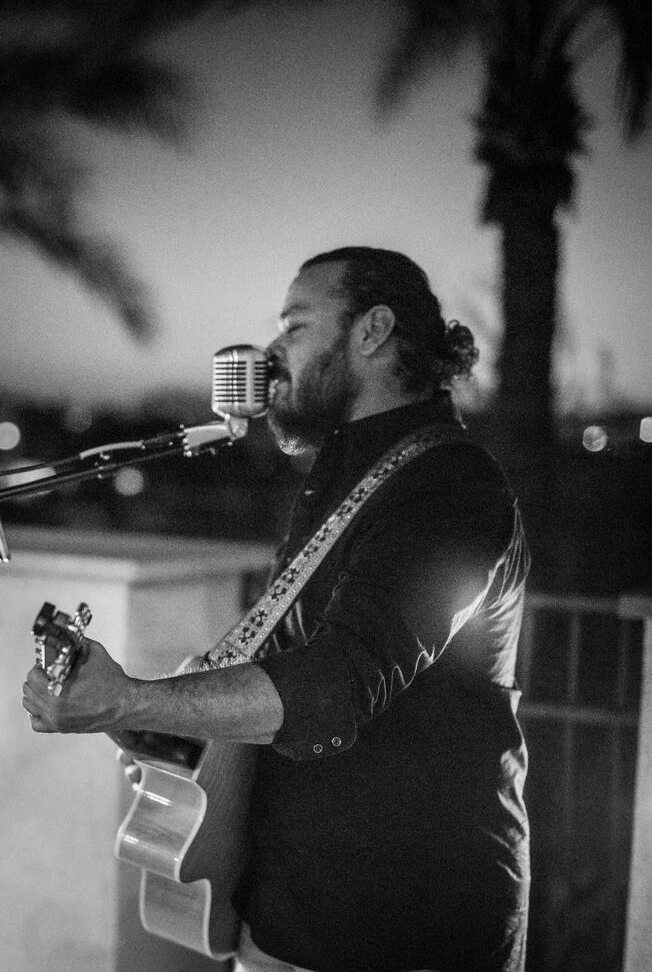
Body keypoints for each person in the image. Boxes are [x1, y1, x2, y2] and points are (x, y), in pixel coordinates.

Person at [23, 247, 530, 972]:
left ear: (372, 330)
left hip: (406, 925)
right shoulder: (339, 478)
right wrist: (130, 717)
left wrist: (131, 698)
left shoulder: (451, 486)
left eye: (295, 326)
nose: (271, 350)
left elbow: (334, 684)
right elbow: (278, 678)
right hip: (284, 914)